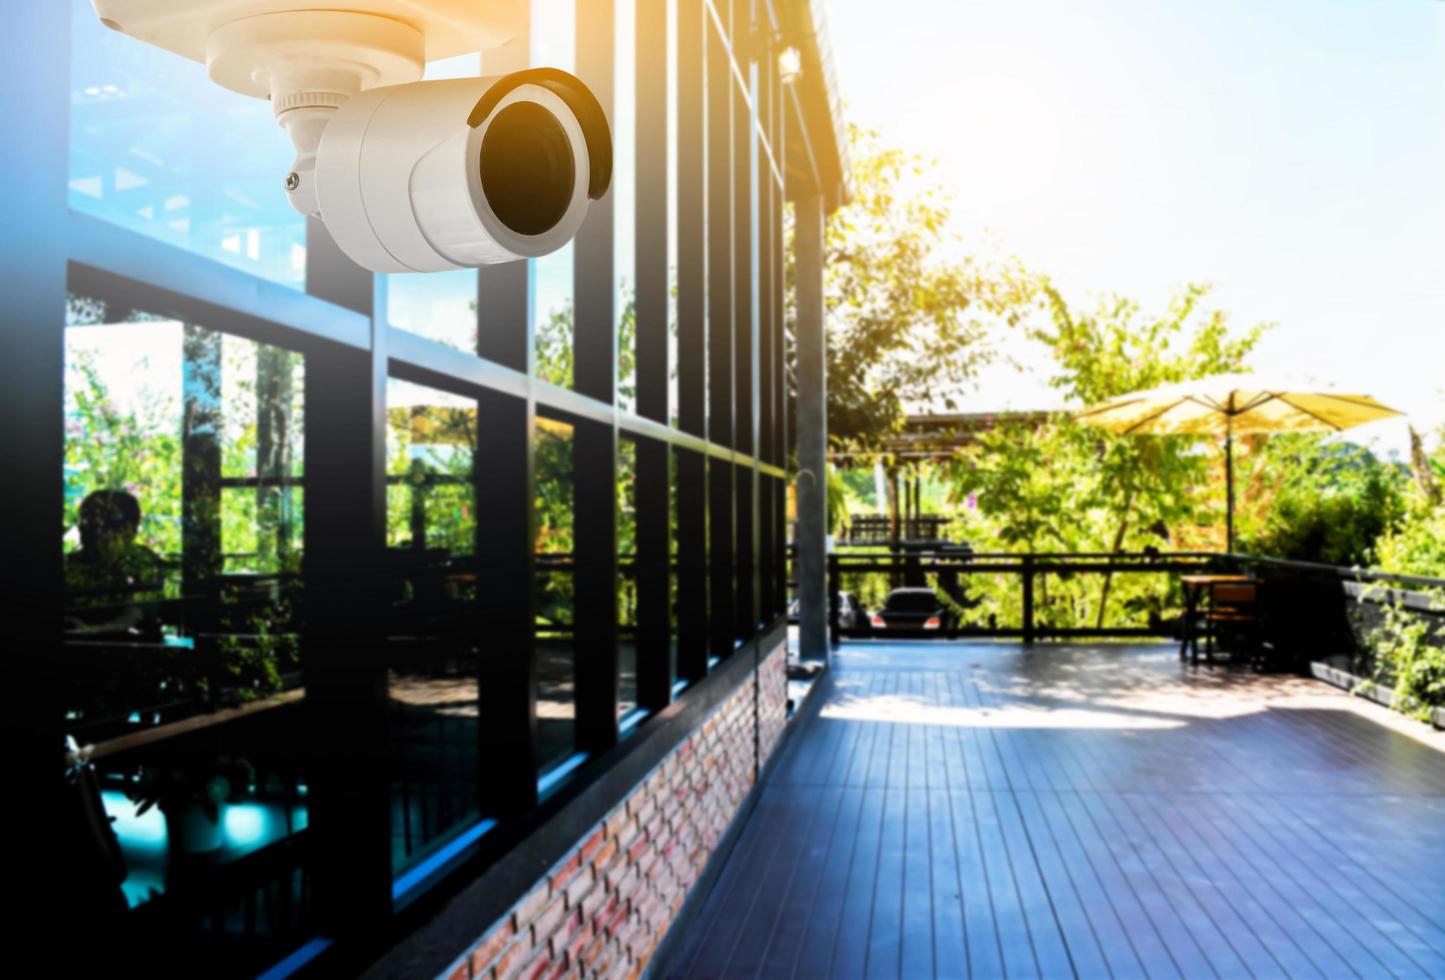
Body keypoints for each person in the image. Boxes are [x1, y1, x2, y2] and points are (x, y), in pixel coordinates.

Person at [64, 489, 166, 631]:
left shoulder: (140, 560)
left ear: (128, 529)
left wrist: (91, 631)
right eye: (84, 518)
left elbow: (142, 614)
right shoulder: (70, 564)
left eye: (97, 521)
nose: (85, 526)